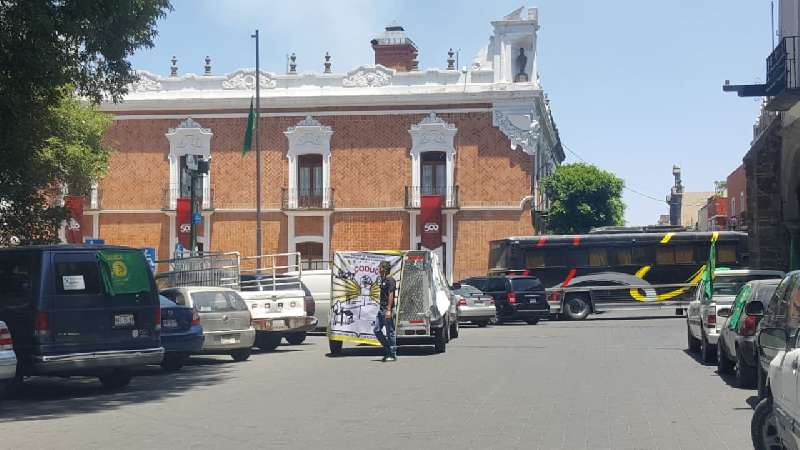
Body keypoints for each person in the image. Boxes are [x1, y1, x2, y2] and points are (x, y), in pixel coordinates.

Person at [374, 260, 397, 362]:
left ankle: (392, 354)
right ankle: (388, 349)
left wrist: (388, 309)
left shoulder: (390, 280)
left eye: (380, 267)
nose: (379, 269)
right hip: (381, 310)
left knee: (390, 332)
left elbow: (391, 294)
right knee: (377, 330)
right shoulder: (383, 280)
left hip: (388, 310)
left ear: (385, 269)